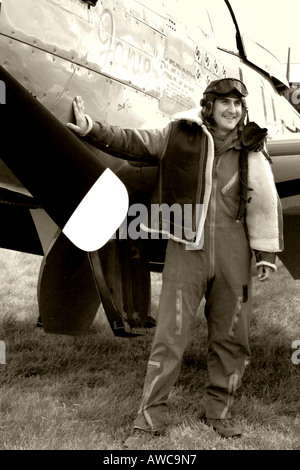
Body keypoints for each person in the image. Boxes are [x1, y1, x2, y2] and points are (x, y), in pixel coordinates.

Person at [66, 78, 283, 446]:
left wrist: (265, 253)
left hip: (234, 251)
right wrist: (92, 129)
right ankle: (149, 420)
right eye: (225, 102)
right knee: (169, 338)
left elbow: (264, 200)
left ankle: (218, 413)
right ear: (209, 105)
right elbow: (135, 142)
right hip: (187, 249)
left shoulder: (252, 147)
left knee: (232, 339)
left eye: (238, 104)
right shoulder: (180, 134)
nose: (232, 110)